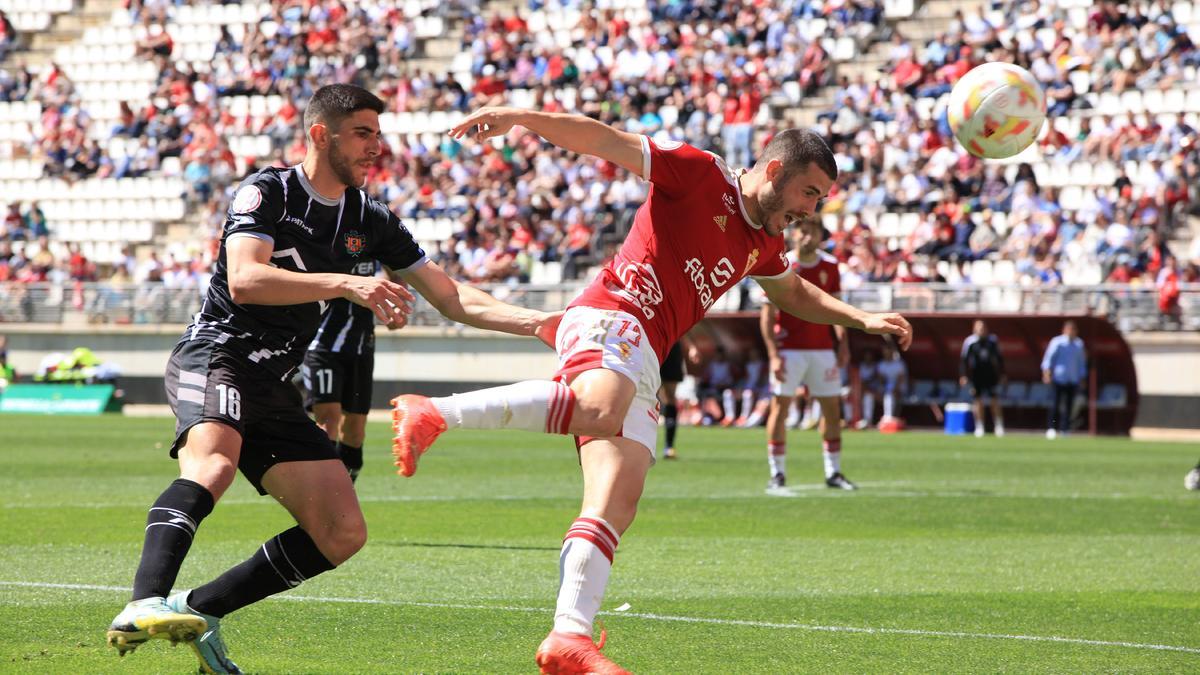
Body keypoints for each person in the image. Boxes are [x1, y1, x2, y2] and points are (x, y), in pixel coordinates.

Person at [391, 108, 912, 674]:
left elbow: (793, 293)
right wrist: (521, 118)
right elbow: (602, 139)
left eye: (819, 200)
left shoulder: (761, 243)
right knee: (597, 409)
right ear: (775, 169)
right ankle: (436, 412)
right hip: (614, 313)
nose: (812, 210)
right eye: (809, 192)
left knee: (618, 497)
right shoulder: (700, 174)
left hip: (647, 352)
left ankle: (570, 636)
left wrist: (862, 319)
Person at [104, 85, 557, 674]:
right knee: (213, 463)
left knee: (341, 531)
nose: (377, 147)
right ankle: (142, 602)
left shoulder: (369, 218)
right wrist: (345, 282)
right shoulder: (269, 190)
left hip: (272, 383)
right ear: (323, 134)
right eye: (363, 133)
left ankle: (198, 608)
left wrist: (544, 324)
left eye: (377, 133)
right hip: (216, 354)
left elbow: (452, 296)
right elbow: (245, 278)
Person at [761, 216, 855, 490]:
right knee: (780, 409)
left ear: (819, 235)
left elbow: (837, 309)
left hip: (823, 349)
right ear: (794, 233)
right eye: (803, 230)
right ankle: (777, 473)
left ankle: (833, 472)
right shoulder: (782, 264)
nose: (807, 236)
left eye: (812, 231)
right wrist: (773, 354)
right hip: (788, 349)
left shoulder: (830, 266)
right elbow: (767, 315)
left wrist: (843, 344)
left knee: (831, 410)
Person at [302, 259, 389, 482]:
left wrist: (392, 305)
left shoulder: (377, 233)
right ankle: (320, 500)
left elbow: (397, 268)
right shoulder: (328, 233)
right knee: (328, 422)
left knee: (356, 431)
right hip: (324, 344)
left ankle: (341, 500)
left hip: (361, 345)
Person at [960, 319, 1006, 438]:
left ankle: (999, 426)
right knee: (978, 401)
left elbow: (1000, 359)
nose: (981, 330)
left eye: (983, 327)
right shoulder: (970, 342)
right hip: (976, 376)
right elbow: (964, 361)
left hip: (991, 376)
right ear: (974, 329)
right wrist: (963, 375)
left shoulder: (992, 341)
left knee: (994, 400)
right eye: (978, 327)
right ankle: (979, 426)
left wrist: (1002, 374)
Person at [1041, 319, 1086, 439]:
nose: (1072, 332)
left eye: (1074, 330)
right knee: (1055, 404)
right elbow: (1048, 359)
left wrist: (1082, 377)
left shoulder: (1079, 344)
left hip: (1072, 379)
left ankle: (1065, 429)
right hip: (1058, 378)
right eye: (1070, 329)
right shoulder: (1057, 342)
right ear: (1065, 330)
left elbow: (1081, 363)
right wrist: (1047, 373)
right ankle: (1052, 428)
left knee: (1069, 406)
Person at [657, 340, 685, 459]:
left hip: (672, 346)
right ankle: (643, 444)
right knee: (646, 395)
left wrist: (692, 346)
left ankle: (669, 446)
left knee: (670, 398)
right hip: (651, 345)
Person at [876, 342, 908, 424]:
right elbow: (881, 380)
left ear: (892, 352)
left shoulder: (899, 364)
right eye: (885, 351)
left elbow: (901, 380)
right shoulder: (881, 364)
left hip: (900, 388)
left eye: (888, 351)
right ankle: (867, 421)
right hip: (886, 388)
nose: (886, 353)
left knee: (889, 393)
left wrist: (895, 389)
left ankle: (888, 418)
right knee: (869, 395)